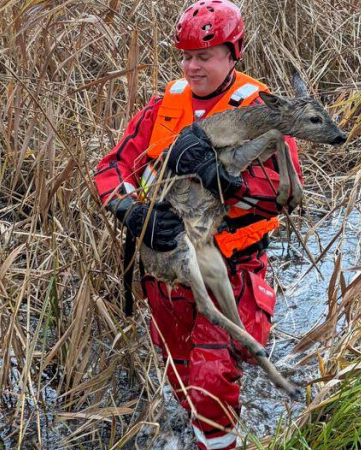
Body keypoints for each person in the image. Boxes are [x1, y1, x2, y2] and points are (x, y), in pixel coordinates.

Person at [93, 1, 303, 448]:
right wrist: (134, 214)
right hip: (168, 272)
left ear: (233, 54)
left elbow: (281, 196)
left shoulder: (261, 110)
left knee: (211, 381)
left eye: (204, 56)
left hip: (232, 268)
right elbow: (111, 170)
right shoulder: (164, 106)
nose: (192, 66)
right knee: (183, 375)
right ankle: (210, 434)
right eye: (186, 55)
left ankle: (219, 435)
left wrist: (219, 180)